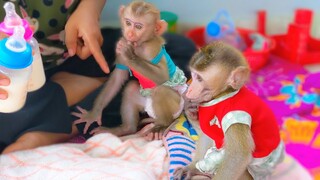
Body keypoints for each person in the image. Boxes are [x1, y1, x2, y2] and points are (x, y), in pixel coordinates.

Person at [0, 0, 197, 153]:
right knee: (10, 115)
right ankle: (64, 120)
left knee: (181, 49)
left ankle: (69, 102)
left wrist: (90, 8)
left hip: (76, 52)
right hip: (21, 75)